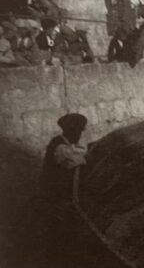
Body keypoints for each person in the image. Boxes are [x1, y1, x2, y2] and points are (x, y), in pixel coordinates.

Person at [42, 113, 88, 265]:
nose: (80, 134)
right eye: (79, 131)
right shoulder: (60, 147)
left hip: (62, 197)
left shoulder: (65, 144)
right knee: (62, 235)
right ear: (72, 131)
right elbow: (78, 161)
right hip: (57, 198)